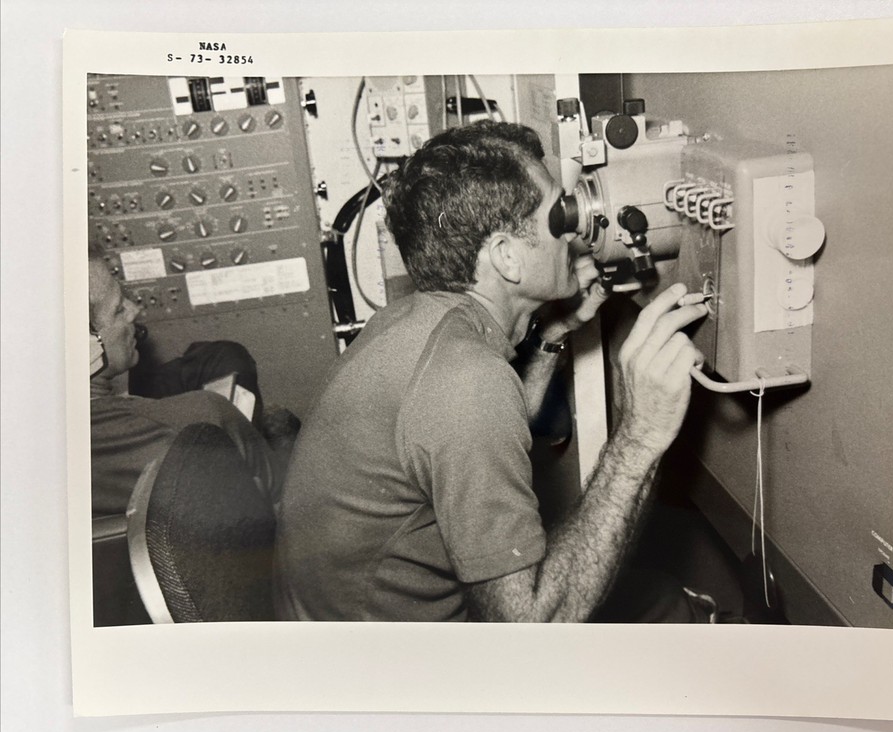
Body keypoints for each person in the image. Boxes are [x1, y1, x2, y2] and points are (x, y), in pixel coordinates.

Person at [273, 120, 707, 622]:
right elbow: (533, 629)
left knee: (656, 595)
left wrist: (552, 334)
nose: (576, 230)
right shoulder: (466, 382)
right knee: (669, 608)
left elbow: (477, 437)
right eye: (559, 216)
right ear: (506, 257)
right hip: (390, 679)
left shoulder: (416, 321)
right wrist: (640, 438)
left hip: (345, 639)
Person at [88, 256, 285, 515]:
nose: (133, 310)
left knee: (221, 357)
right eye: (118, 310)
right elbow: (285, 512)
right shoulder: (202, 417)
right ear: (89, 345)